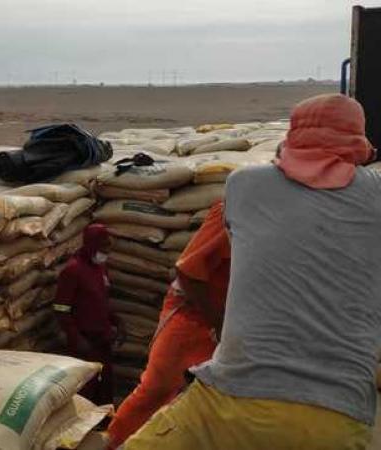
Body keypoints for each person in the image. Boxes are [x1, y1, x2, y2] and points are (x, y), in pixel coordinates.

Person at [124, 94, 381, 450]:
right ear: (359, 141)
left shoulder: (244, 185)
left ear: (291, 138)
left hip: (225, 402)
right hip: (335, 417)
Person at [107, 200, 229, 448]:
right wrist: (221, 324)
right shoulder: (233, 210)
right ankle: (115, 442)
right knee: (157, 390)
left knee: (210, 401)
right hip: (193, 317)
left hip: (230, 322)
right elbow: (188, 273)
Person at [54, 223, 117, 405]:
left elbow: (103, 299)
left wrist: (116, 321)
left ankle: (105, 423)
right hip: (84, 341)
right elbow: (60, 308)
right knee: (85, 389)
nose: (106, 252)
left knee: (105, 384)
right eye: (103, 247)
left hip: (102, 338)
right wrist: (75, 337)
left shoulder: (101, 268)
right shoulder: (72, 270)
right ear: (91, 245)